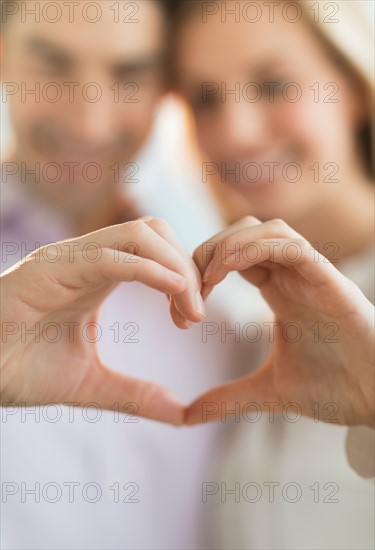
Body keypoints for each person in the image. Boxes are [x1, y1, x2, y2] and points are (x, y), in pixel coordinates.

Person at [0, 2, 237, 548]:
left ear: (166, 87)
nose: (91, 121)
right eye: (53, 64)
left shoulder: (222, 313)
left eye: (129, 74)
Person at [167, 0, 375, 548]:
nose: (235, 132)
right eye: (205, 98)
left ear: (353, 85)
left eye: (274, 84)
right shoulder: (241, 333)